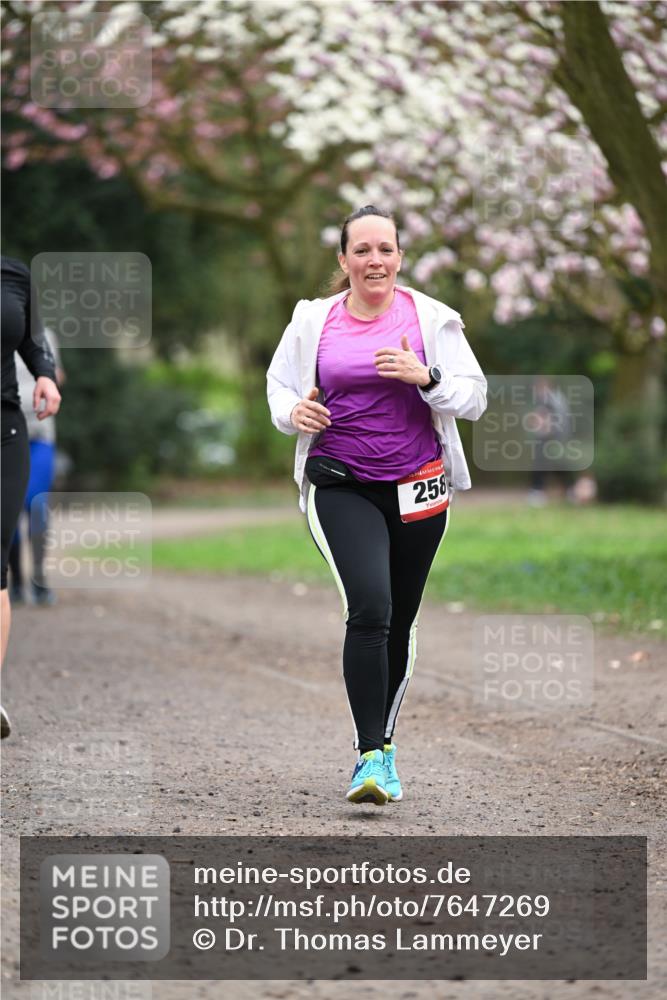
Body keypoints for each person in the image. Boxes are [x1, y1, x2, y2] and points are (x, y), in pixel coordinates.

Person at [266, 206, 487, 805]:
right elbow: (279, 387)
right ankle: (369, 756)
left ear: (399, 257)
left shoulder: (431, 318)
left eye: (384, 249)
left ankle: (384, 746)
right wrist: (294, 413)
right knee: (370, 605)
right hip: (340, 481)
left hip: (419, 484)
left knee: (401, 618)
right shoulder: (315, 322)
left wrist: (426, 375)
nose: (374, 260)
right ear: (343, 261)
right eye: (361, 250)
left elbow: (474, 397)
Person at [1, 256, 61, 738]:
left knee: (22, 522)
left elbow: (35, 346)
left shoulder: (15, 278)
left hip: (17, 430)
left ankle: (34, 579)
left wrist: (44, 374)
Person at [8, 327, 65, 607]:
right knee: (9, 507)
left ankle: (40, 580)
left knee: (37, 503)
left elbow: (57, 375)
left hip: (40, 435)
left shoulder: (45, 335)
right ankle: (16, 581)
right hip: (6, 435)